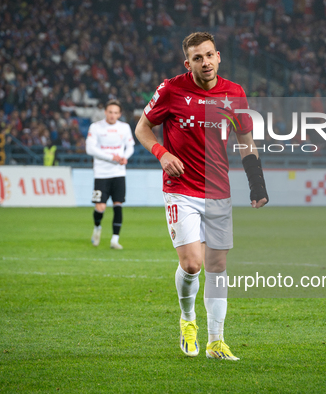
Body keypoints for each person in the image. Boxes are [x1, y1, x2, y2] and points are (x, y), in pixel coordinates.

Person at [134, 32, 268, 360]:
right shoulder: (171, 89)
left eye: (209, 55)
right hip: (181, 189)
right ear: (188, 63)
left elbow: (245, 140)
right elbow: (141, 128)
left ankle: (216, 341)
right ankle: (188, 320)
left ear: (218, 56)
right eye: (198, 58)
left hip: (219, 190)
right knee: (193, 264)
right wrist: (162, 153)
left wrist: (257, 184)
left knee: (217, 266)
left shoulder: (234, 93)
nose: (205, 62)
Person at [86, 99, 134, 250]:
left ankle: (115, 239)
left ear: (119, 114)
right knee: (100, 206)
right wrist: (111, 157)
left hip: (118, 172)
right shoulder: (95, 127)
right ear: (105, 112)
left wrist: (125, 156)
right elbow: (90, 149)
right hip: (101, 173)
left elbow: (130, 145)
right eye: (110, 112)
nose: (113, 115)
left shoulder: (124, 127)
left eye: (116, 112)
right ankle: (97, 227)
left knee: (118, 205)